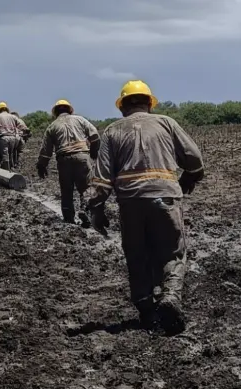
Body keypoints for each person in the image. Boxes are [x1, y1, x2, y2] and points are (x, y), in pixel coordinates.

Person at [87, 80, 204, 335]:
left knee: (137, 255)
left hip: (130, 203)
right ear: (149, 103)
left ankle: (147, 310)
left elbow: (101, 180)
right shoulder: (166, 123)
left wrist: (96, 209)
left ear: (122, 107)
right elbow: (194, 160)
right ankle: (171, 295)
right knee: (173, 252)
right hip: (165, 197)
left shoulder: (112, 131)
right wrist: (188, 178)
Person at [37, 99, 100, 225]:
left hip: (63, 159)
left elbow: (46, 150)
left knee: (66, 190)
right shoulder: (80, 120)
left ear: (55, 112)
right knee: (87, 187)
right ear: (70, 110)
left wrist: (42, 165)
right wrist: (93, 151)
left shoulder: (52, 126)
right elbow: (95, 136)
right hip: (82, 157)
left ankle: (68, 219)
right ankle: (85, 210)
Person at [0, 101, 29, 170]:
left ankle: (6, 172)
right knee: (11, 155)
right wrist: (25, 131)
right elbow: (22, 126)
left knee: (5, 156)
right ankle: (12, 169)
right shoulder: (13, 116)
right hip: (13, 138)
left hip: (3, 138)